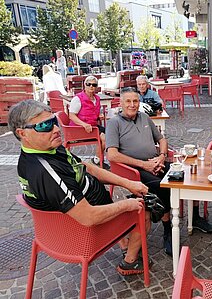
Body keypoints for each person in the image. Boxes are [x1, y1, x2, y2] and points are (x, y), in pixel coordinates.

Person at [8, 99, 150, 276]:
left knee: (131, 197)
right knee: (145, 211)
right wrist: (127, 205)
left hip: (88, 209)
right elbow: (89, 217)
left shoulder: (48, 147)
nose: (56, 129)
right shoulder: (46, 171)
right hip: (85, 232)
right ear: (23, 133)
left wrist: (127, 183)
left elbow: (85, 166)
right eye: (45, 126)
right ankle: (130, 262)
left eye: (54, 121)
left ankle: (123, 242)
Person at [105, 88, 175, 255]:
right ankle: (168, 227)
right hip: (133, 169)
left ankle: (170, 213)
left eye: (135, 101)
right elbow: (112, 154)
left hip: (154, 162)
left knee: (178, 177)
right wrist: (144, 165)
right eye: (128, 101)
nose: (132, 105)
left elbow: (162, 139)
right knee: (162, 184)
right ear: (120, 103)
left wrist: (161, 157)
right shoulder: (114, 123)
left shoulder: (144, 117)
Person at [68, 76, 107, 169]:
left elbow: (93, 113)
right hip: (79, 129)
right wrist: (84, 124)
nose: (91, 86)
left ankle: (97, 160)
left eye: (94, 85)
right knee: (106, 138)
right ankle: (98, 161)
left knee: (113, 134)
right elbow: (71, 115)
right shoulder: (78, 99)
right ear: (84, 85)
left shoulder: (97, 98)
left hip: (92, 127)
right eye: (88, 84)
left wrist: (98, 116)